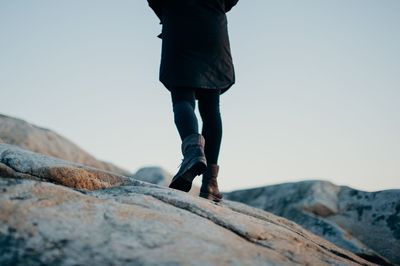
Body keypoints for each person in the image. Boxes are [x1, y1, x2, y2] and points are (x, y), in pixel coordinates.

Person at [147, 0, 239, 202]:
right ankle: (210, 184)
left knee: (182, 98)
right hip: (212, 25)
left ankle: (193, 152)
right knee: (211, 108)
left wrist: (167, 12)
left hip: (178, 24)